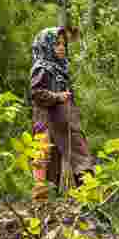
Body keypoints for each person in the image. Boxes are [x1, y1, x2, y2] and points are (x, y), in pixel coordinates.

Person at [29, 26, 97, 201]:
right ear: (46, 46)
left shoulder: (61, 69)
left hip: (65, 121)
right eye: (56, 44)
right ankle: (43, 205)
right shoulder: (42, 67)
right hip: (46, 123)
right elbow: (36, 93)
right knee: (46, 164)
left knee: (81, 156)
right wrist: (57, 97)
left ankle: (88, 199)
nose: (61, 48)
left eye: (63, 44)